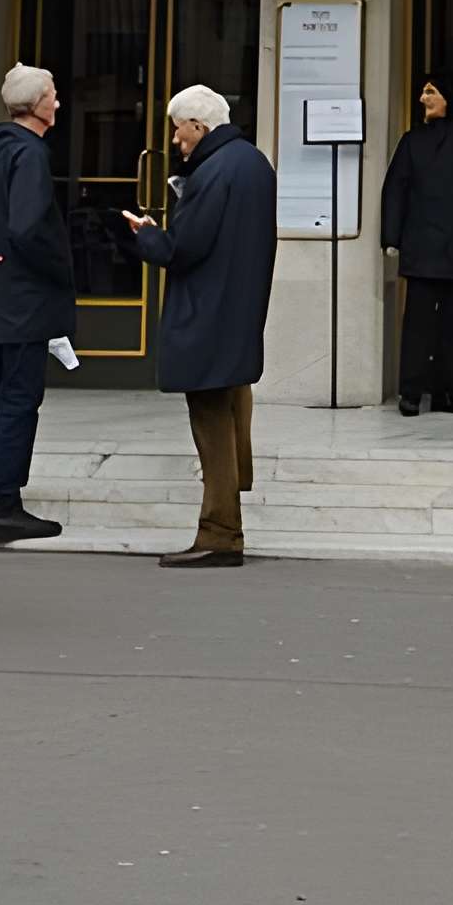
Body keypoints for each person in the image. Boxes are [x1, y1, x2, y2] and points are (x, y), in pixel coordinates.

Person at [124, 85, 277, 567]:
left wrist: (148, 235)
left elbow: (184, 249)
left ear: (199, 126)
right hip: (239, 308)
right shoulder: (253, 161)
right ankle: (232, 502)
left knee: (210, 421)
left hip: (207, 313)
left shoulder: (214, 171)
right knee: (233, 409)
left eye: (178, 127)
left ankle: (220, 533)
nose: (174, 139)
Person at [0, 62, 72, 543]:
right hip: (27, 294)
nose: (58, 102)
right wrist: (61, 269)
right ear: (37, 105)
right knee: (19, 399)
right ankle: (5, 505)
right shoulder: (30, 153)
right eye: (52, 94)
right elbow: (28, 227)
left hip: (0, 289)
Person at [381, 74, 453, 417]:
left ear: (449, 97)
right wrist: (391, 238)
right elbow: (396, 191)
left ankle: (444, 391)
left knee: (452, 328)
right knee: (418, 325)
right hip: (423, 249)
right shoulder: (412, 141)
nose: (423, 98)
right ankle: (411, 393)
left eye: (431, 92)